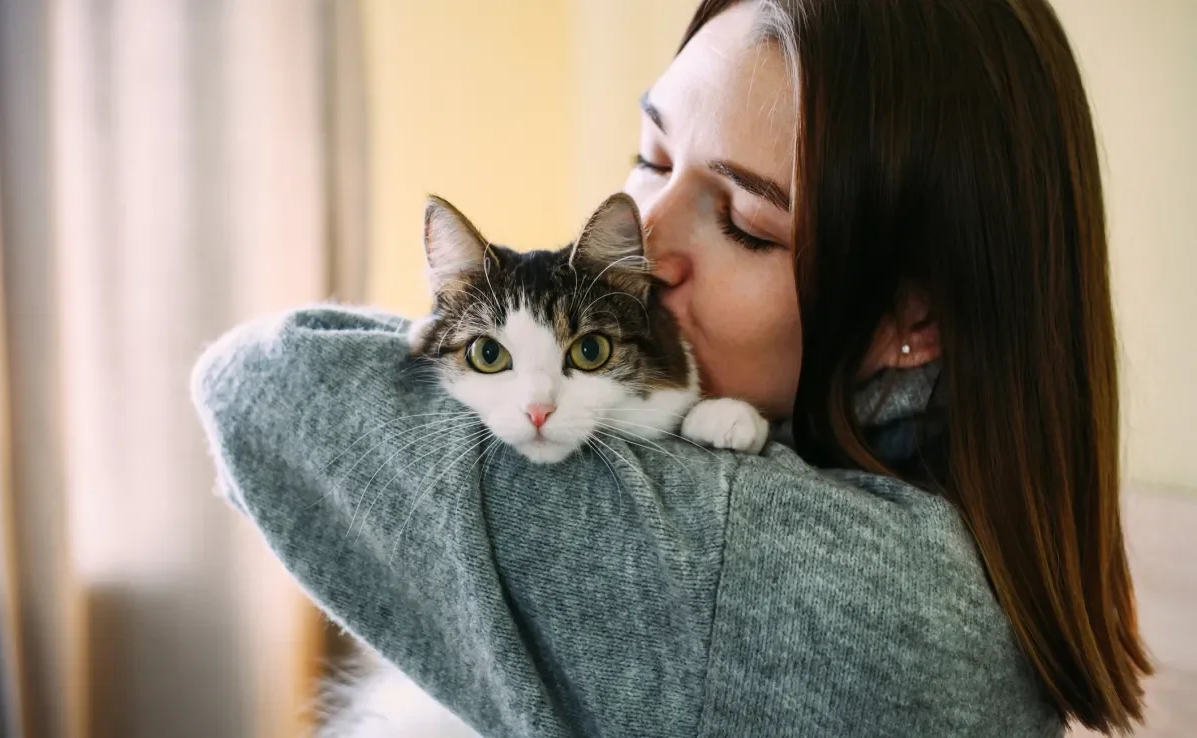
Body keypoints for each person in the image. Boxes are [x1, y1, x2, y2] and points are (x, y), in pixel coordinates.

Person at [192, 0, 1152, 735]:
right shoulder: (951, 528)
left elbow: (266, 388)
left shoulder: (808, 585)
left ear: (913, 320)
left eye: (744, 223)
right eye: (650, 156)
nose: (644, 249)